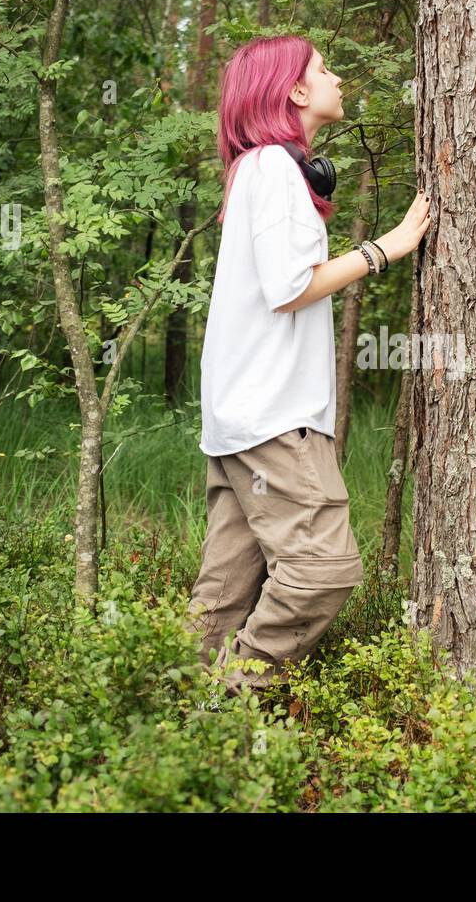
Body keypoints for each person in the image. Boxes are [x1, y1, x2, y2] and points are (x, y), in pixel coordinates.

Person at [185, 34, 432, 699]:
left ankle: (173, 733)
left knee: (224, 593)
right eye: (325, 68)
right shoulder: (272, 168)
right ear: (294, 90)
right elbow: (289, 285)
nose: (338, 77)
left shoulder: (260, 170)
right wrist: (388, 247)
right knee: (324, 570)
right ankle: (230, 707)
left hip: (244, 416)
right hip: (271, 416)